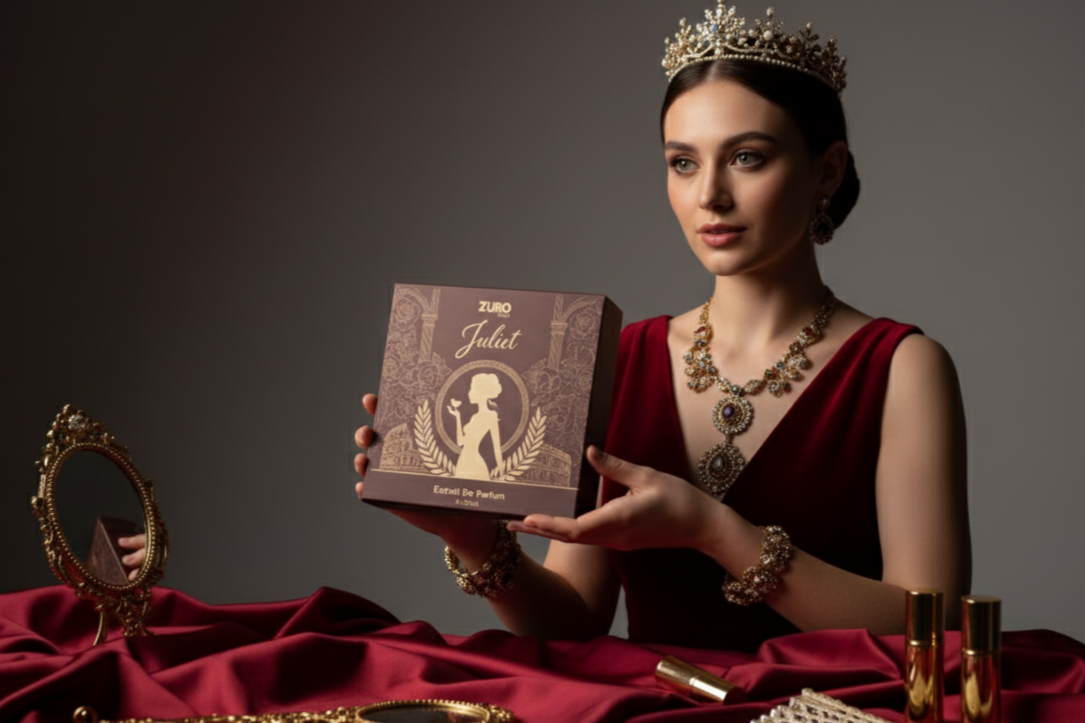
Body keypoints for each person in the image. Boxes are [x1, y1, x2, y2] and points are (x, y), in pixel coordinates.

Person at [354, 1, 970, 651]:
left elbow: (933, 628)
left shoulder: (900, 364)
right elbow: (575, 620)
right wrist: (473, 539)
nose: (708, 195)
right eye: (683, 162)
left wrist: (713, 529)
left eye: (747, 157)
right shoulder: (621, 358)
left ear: (827, 170)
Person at [447, 373, 504, 481]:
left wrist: (501, 471)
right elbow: (460, 442)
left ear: (481, 393)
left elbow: (496, 447)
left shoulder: (492, 415)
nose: (469, 393)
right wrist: (457, 416)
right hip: (462, 462)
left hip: (475, 464)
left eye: (472, 389)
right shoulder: (474, 417)